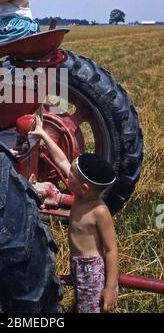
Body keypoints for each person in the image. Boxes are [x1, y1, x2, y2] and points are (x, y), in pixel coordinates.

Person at [29, 115, 119, 313]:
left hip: (91, 270)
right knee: (83, 305)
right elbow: (61, 158)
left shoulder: (99, 211)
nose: (66, 174)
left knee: (91, 309)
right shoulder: (79, 196)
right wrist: (43, 133)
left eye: (71, 175)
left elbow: (112, 250)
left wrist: (110, 288)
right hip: (78, 263)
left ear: (85, 187)